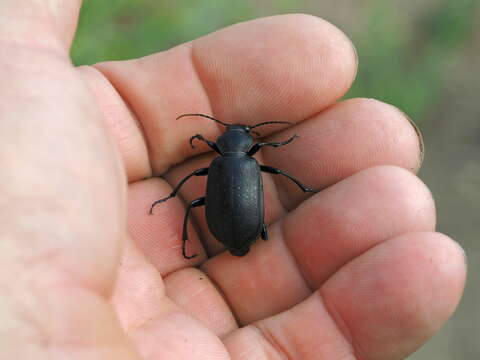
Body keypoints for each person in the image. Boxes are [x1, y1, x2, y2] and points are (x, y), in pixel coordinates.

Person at [1, 1, 466, 359]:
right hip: (243, 232)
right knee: (240, 191)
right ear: (248, 148)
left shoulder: (222, 163)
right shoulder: (247, 162)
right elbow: (274, 167)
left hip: (228, 230)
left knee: (191, 204)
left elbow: (193, 191)